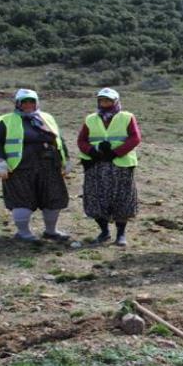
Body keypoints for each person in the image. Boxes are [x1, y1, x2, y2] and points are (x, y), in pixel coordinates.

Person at [0, 89, 72, 243]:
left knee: (52, 198)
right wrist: (0, 161)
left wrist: (66, 159)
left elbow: (59, 139)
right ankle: (23, 233)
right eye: (24, 102)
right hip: (21, 169)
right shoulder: (6, 120)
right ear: (18, 104)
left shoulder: (47, 118)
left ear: (36, 103)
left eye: (31, 102)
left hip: (49, 167)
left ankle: (51, 231)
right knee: (22, 200)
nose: (28, 105)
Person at [78, 88, 141, 247]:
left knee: (122, 199)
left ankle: (121, 234)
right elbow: (82, 140)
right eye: (102, 100)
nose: (105, 103)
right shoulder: (90, 119)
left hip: (121, 164)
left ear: (116, 101)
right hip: (96, 164)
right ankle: (104, 231)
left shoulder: (127, 117)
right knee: (96, 198)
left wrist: (116, 152)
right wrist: (92, 151)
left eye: (108, 100)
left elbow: (135, 138)